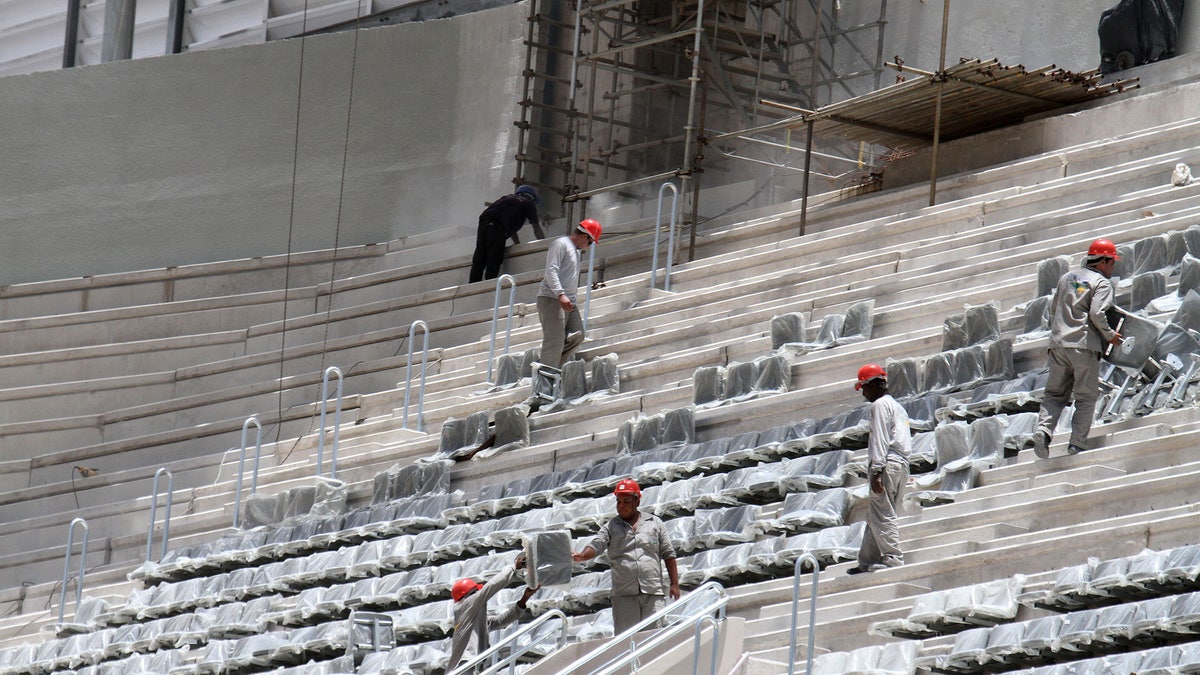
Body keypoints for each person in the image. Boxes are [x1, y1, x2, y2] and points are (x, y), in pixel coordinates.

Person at [1033, 238, 1123, 458]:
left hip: (1058, 344)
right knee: (1085, 397)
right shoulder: (1102, 283)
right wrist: (1110, 336)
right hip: (1083, 345)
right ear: (1102, 261)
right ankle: (1076, 444)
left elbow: (1053, 312)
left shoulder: (1067, 278)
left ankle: (1043, 431)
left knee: (1054, 394)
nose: (1112, 267)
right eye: (1111, 262)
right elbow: (1096, 313)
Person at [572, 478, 680, 635]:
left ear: (637, 501)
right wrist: (582, 556)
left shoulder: (654, 523)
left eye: (626, 501)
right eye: (618, 502)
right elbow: (597, 545)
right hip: (624, 596)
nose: (621, 506)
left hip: (652, 592)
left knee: (654, 638)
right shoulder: (610, 527)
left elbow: (669, 554)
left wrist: (674, 584)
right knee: (627, 642)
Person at [848, 364, 911, 575]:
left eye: (864, 387)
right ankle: (867, 560)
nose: (864, 394)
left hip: (886, 464)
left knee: (883, 514)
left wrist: (876, 470)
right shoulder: (897, 407)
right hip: (901, 465)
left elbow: (880, 439)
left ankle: (892, 557)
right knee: (878, 513)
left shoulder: (879, 406)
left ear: (874, 384)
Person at [447, 556, 539, 668]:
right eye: (476, 592)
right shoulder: (465, 605)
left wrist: (524, 598)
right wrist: (513, 567)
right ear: (468, 595)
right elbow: (492, 586)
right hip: (464, 665)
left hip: (473, 665)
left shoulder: (475, 619)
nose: (478, 594)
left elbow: (502, 621)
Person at [535, 218, 601, 370]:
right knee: (554, 341)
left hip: (567, 301)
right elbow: (551, 270)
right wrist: (560, 294)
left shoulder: (575, 251)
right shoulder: (561, 244)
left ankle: (549, 367)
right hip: (552, 298)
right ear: (584, 236)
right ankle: (545, 380)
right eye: (590, 242)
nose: (588, 246)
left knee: (577, 335)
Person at [469, 185, 545, 284]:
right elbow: (536, 227)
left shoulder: (507, 198)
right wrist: (543, 242)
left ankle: (473, 283)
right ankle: (489, 283)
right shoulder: (528, 204)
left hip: (484, 220)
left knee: (481, 252)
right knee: (495, 254)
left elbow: (508, 226)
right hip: (497, 226)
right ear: (531, 198)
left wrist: (517, 243)